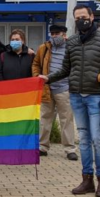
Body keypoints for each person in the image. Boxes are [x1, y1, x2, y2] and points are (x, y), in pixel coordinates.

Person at [42, 5, 100, 197]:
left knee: (97, 139)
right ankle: (86, 179)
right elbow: (65, 69)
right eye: (77, 17)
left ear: (91, 16)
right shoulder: (71, 42)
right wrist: (47, 78)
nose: (81, 20)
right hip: (76, 95)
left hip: (97, 96)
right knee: (84, 141)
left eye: (84, 16)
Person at [32, 25, 77, 160]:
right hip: (46, 89)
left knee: (66, 119)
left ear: (64, 34)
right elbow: (36, 64)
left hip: (64, 89)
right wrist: (37, 77)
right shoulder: (44, 48)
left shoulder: (72, 48)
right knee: (45, 118)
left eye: (57, 33)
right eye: (52, 33)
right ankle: (42, 147)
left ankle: (70, 149)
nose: (54, 36)